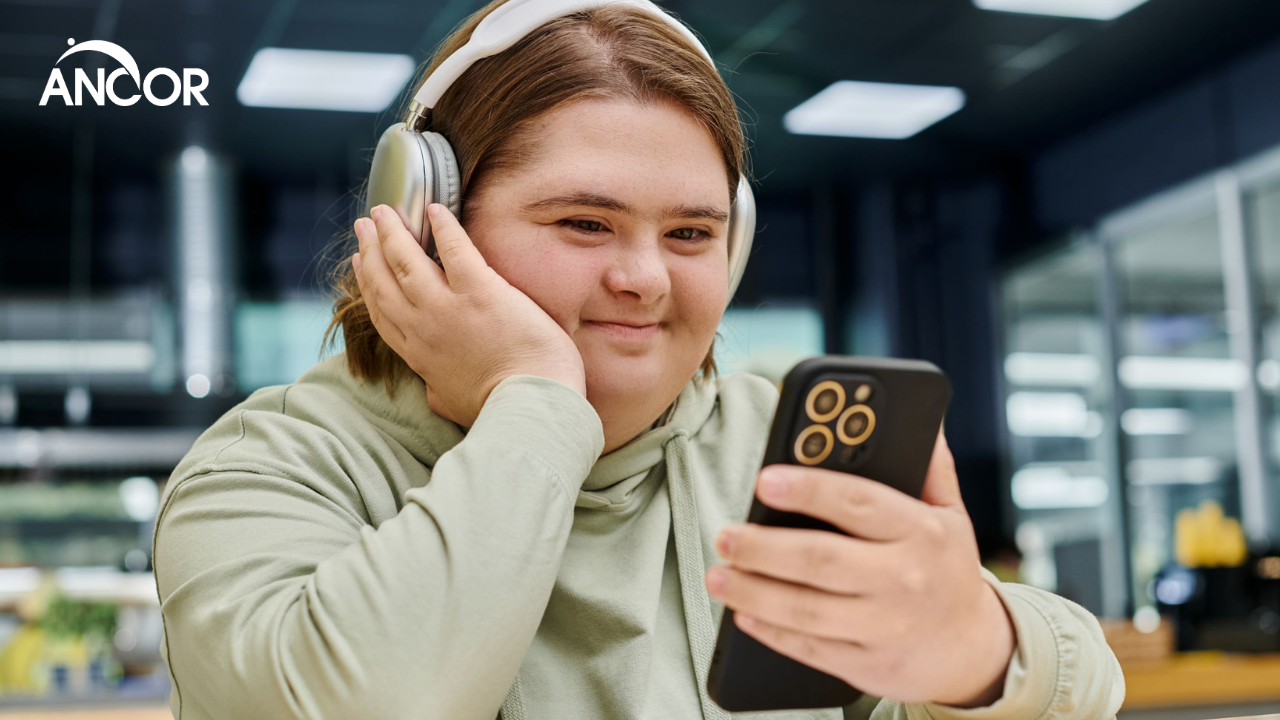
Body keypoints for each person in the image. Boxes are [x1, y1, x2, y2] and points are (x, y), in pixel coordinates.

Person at [152, 2, 1126, 719]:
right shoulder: (267, 470)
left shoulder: (770, 446)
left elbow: (1082, 677)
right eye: (584, 222)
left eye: (692, 234)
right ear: (423, 223)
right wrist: (535, 402)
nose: (645, 280)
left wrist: (976, 655)